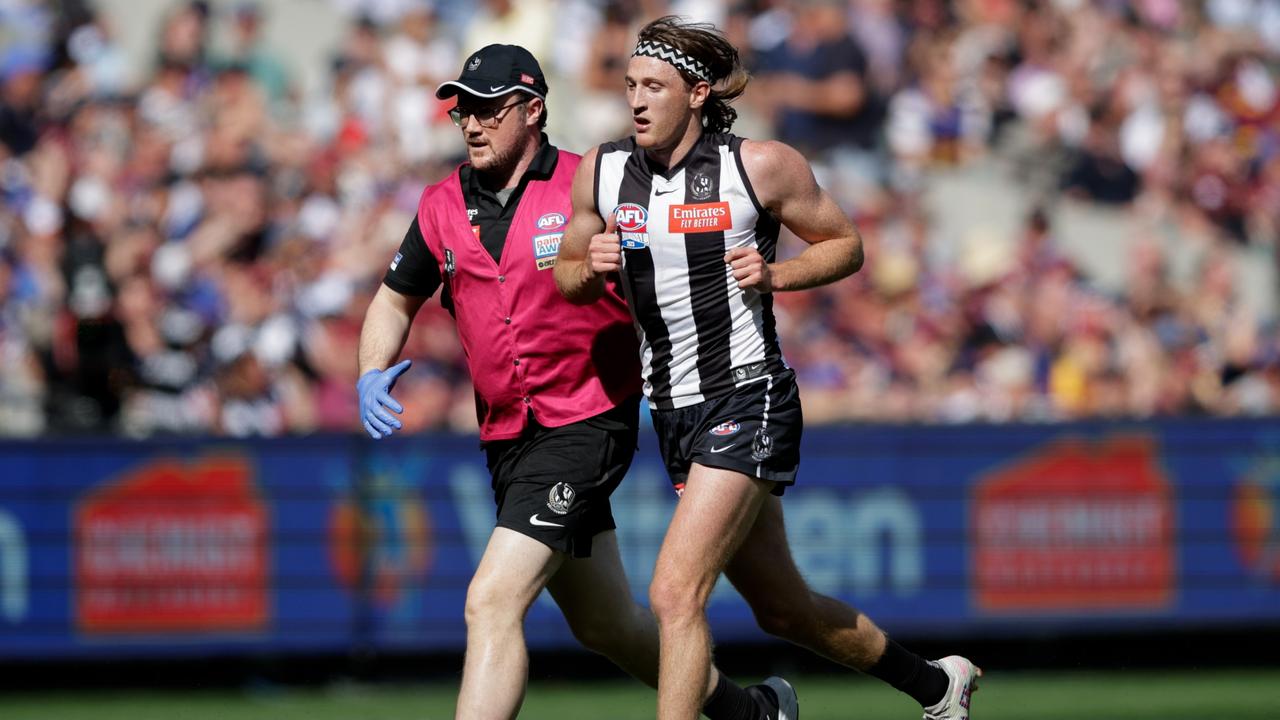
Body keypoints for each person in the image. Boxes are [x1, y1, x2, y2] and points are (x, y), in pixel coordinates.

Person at [555, 16, 981, 720]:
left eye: (653, 86)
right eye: (630, 84)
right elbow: (568, 273)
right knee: (782, 610)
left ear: (696, 94)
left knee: (673, 594)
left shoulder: (758, 166)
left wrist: (778, 273)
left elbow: (844, 245)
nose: (635, 99)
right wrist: (584, 267)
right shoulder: (600, 171)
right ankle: (936, 686)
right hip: (670, 409)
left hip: (746, 395)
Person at [356, 44, 796, 720]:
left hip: (587, 419)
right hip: (508, 435)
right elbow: (394, 299)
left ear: (533, 111)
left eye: (489, 109)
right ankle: (753, 713)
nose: (471, 123)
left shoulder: (593, 183)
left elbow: (677, 268)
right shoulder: (441, 203)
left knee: (492, 599)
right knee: (606, 625)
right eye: (462, 110)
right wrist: (370, 371)